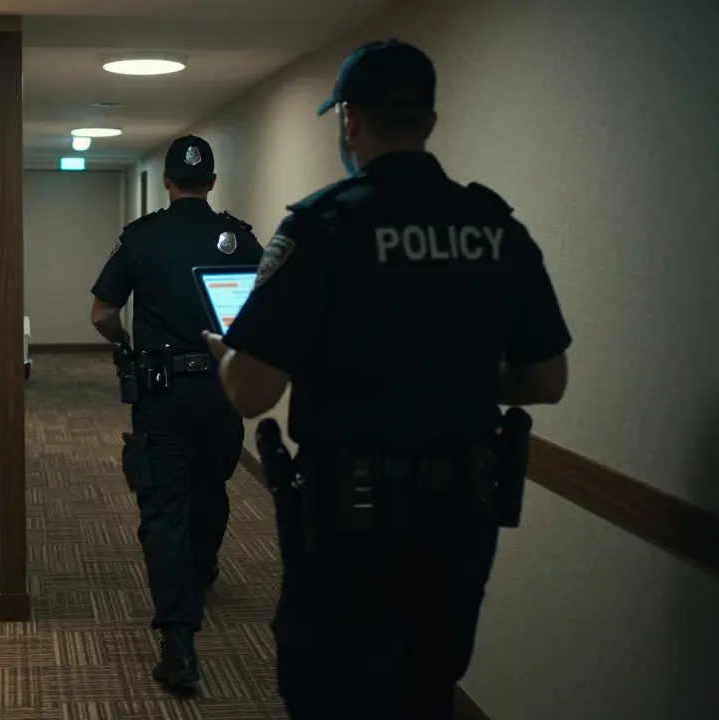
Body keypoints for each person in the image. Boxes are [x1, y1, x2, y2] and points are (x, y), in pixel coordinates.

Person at [203, 39, 572, 719]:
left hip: (352, 520)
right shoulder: (492, 228)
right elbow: (547, 379)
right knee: (425, 688)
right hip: (461, 517)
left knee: (333, 689)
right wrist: (447, 375)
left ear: (349, 121)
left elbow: (252, 391)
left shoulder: (323, 227)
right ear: (429, 121)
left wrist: (229, 352)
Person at [89, 135, 265, 689]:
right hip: (223, 389)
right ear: (212, 182)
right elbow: (261, 317)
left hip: (162, 392)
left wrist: (124, 344)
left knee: (164, 507)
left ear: (166, 181)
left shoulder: (143, 238)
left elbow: (101, 313)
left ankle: (179, 644)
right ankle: (203, 568)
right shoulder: (239, 239)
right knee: (211, 486)